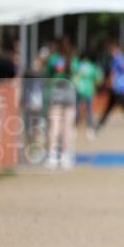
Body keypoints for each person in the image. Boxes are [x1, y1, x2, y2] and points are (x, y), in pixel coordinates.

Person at [44, 39, 77, 168]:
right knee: (67, 125)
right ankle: (65, 156)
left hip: (56, 89)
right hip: (69, 89)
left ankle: (51, 156)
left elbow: (47, 75)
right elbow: (76, 73)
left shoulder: (53, 59)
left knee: (54, 124)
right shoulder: (73, 59)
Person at [96, 41, 124, 134]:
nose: (111, 53)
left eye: (112, 51)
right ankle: (100, 125)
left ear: (117, 49)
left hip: (117, 87)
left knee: (121, 107)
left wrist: (110, 84)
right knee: (112, 107)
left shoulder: (116, 60)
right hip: (122, 87)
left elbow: (113, 74)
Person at [71, 50, 103, 138]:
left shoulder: (78, 65)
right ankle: (89, 128)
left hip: (80, 90)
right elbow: (99, 78)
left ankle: (76, 127)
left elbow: (73, 70)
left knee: (78, 110)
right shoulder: (92, 67)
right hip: (88, 91)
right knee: (89, 110)